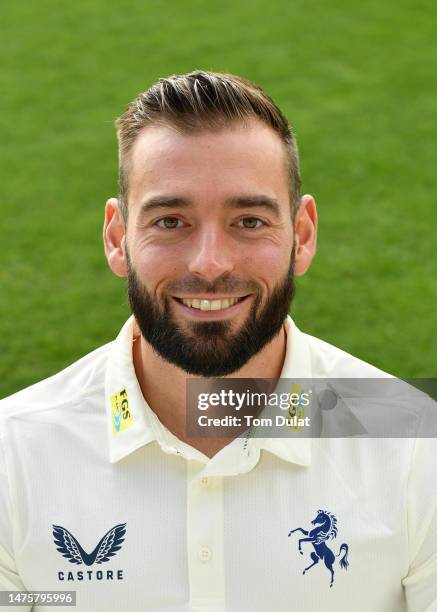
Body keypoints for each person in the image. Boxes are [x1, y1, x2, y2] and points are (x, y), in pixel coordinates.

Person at [0, 70, 436, 611]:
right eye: (170, 220)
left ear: (302, 235)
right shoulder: (12, 455)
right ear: (118, 238)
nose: (210, 264)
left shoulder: (417, 448)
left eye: (249, 221)